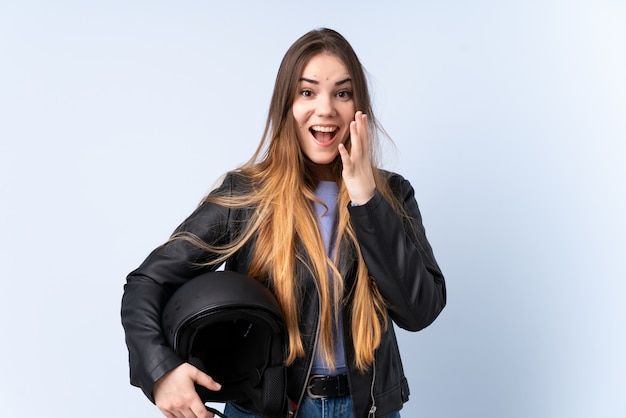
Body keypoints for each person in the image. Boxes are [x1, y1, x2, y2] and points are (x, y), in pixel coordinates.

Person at [121, 27, 446, 418]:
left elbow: (419, 311)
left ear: (359, 108)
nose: (325, 109)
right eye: (307, 92)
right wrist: (160, 371)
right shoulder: (247, 194)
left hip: (368, 410)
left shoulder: (391, 195)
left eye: (342, 93)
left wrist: (365, 198)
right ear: (286, 104)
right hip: (271, 408)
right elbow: (147, 282)